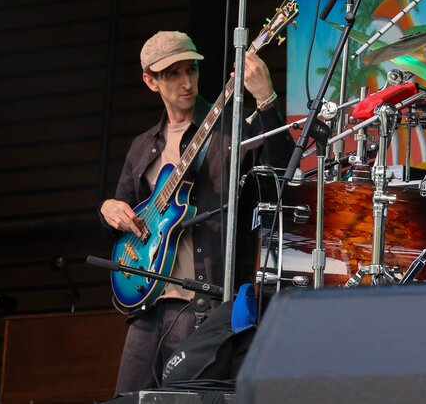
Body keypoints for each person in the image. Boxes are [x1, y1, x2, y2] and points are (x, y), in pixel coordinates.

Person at [100, 31, 292, 393]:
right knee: (125, 397)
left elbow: (284, 172)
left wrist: (266, 100)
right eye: (172, 74)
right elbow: (119, 221)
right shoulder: (142, 146)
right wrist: (108, 209)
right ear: (150, 81)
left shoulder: (232, 130)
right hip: (146, 304)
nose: (186, 82)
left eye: (191, 70)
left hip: (201, 303)